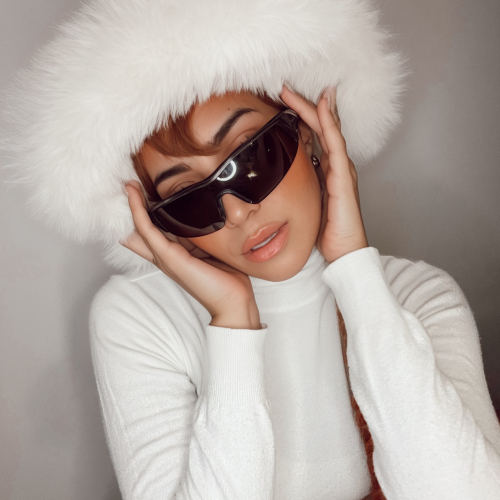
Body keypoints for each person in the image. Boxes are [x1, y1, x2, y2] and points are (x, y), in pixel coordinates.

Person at [3, 0, 500, 499]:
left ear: (309, 135)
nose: (237, 211)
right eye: (188, 197)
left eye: (250, 157)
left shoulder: (415, 296)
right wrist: (233, 322)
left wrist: (355, 270)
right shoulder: (138, 317)